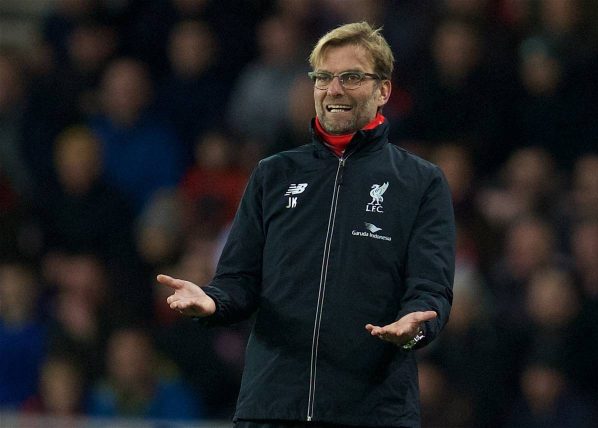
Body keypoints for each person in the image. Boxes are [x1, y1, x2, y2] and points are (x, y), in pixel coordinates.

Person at [158, 22, 455, 428]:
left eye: (351, 77)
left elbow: (430, 291)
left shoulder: (420, 182)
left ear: (383, 90)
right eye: (323, 77)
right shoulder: (272, 175)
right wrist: (212, 302)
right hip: (271, 408)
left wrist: (415, 328)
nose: (334, 89)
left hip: (372, 411)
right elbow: (238, 281)